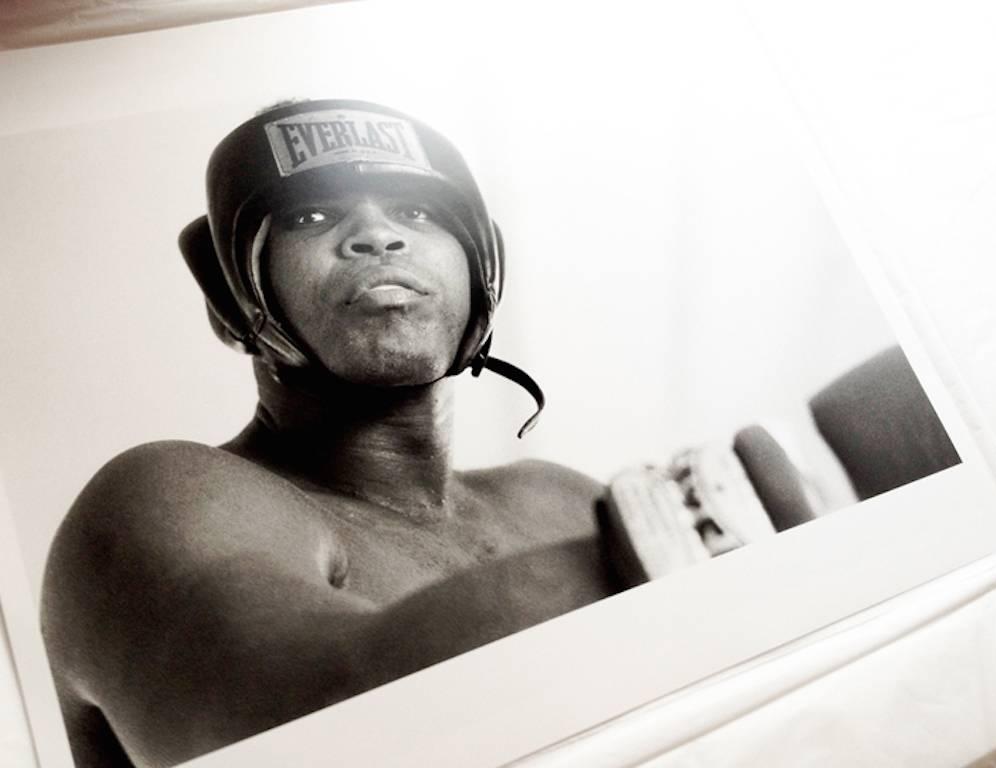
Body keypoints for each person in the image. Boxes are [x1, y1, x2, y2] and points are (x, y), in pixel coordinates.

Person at [40, 100, 620, 768]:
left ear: (481, 264)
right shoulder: (162, 499)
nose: (377, 236)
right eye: (310, 216)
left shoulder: (563, 502)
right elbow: (305, 729)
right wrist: (660, 552)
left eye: (418, 212)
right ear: (231, 301)